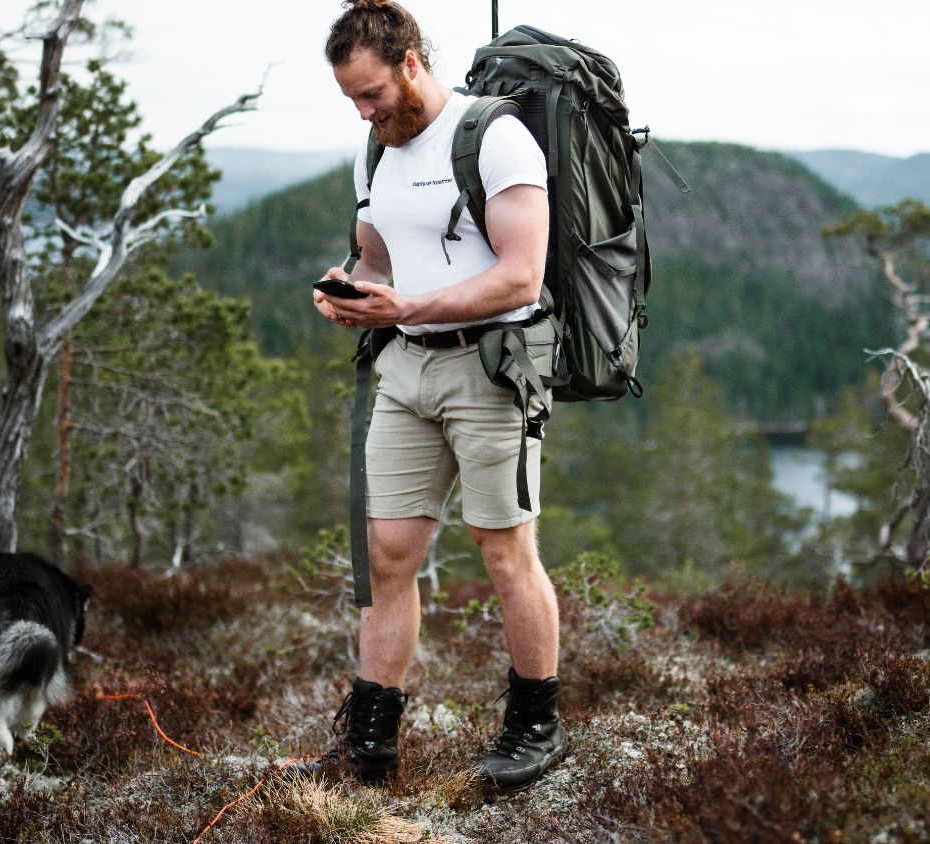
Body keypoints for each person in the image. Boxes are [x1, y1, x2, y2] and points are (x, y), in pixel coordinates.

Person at [300, 0, 566, 794]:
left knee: (504, 550)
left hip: (491, 368)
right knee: (387, 554)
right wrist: (350, 289)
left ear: (410, 62)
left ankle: (536, 729)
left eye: (373, 92)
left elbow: (521, 274)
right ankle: (370, 743)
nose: (364, 109)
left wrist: (407, 305)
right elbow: (376, 256)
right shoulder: (373, 150)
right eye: (351, 97)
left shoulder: (495, 135)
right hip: (405, 372)